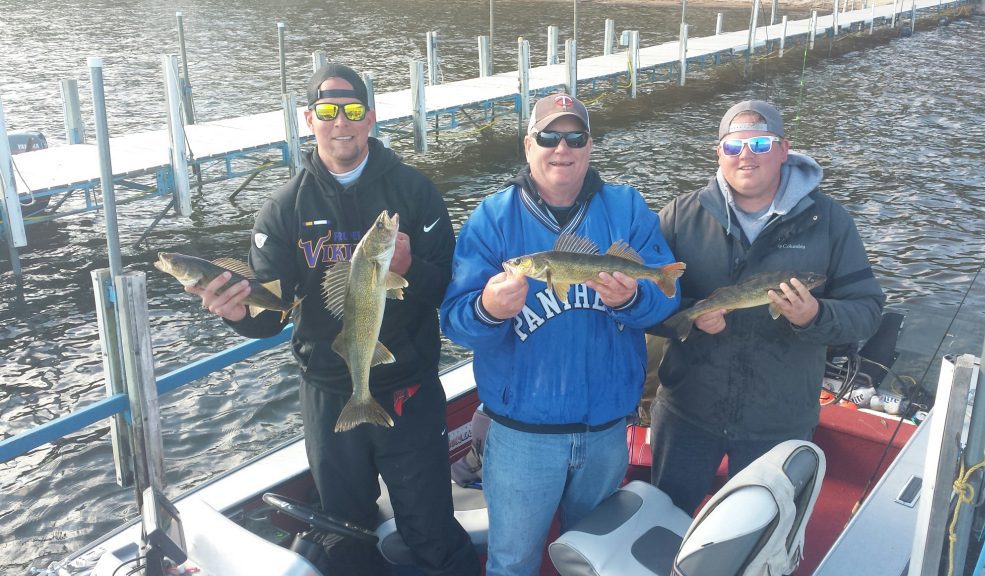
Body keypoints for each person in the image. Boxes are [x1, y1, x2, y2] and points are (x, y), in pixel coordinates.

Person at [183, 63, 479, 576]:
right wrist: (235, 313)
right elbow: (268, 317)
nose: (340, 122)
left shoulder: (415, 192)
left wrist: (410, 267)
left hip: (409, 389)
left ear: (371, 118)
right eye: (327, 111)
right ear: (308, 119)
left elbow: (450, 289)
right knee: (344, 532)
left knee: (431, 529)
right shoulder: (283, 209)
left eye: (352, 111)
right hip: (327, 394)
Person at [440, 93, 680, 576]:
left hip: (606, 434)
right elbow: (454, 321)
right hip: (521, 438)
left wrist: (631, 298)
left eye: (575, 137)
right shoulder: (492, 218)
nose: (561, 148)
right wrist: (487, 309)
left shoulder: (627, 208)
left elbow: (667, 302)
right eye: (549, 136)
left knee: (594, 561)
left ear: (590, 146)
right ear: (529, 145)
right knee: (511, 563)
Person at [651, 99, 886, 514]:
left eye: (760, 144)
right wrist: (689, 315)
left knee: (760, 538)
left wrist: (815, 317)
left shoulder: (830, 222)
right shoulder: (679, 216)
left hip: (779, 421)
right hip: (687, 413)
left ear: (784, 149)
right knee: (665, 521)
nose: (746, 155)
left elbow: (866, 310)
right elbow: (649, 305)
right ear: (718, 153)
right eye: (733, 146)